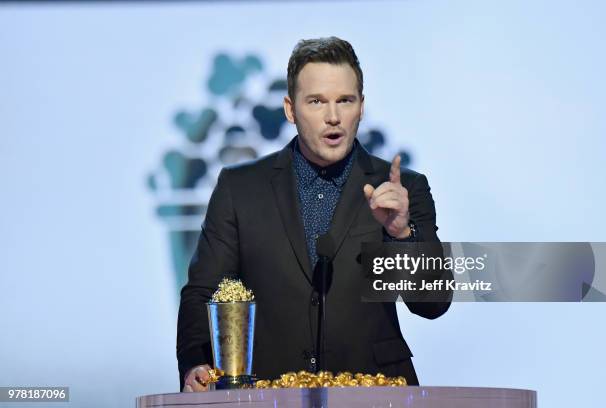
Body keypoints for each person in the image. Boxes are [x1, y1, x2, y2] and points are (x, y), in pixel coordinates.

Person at [177, 36, 451, 392]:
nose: (333, 117)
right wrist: (196, 363)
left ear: (361, 107)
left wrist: (401, 235)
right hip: (268, 391)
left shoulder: (402, 189)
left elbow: (432, 304)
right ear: (291, 110)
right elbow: (204, 291)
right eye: (317, 101)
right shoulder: (240, 189)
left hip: (376, 391)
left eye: (345, 101)